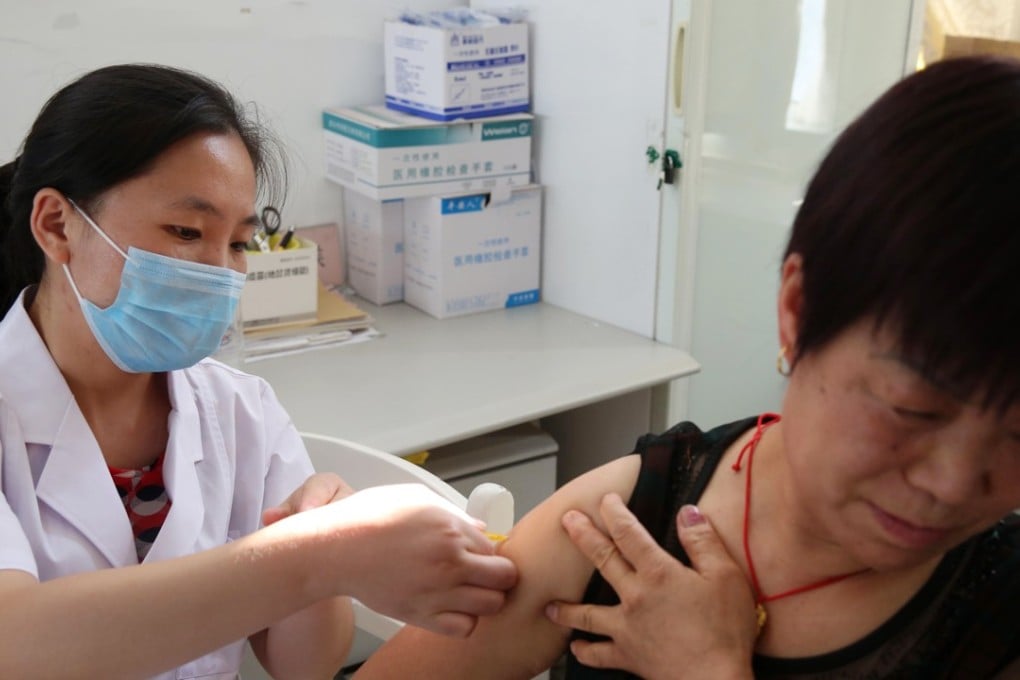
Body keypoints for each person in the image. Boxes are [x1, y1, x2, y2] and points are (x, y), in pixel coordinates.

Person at [353, 55, 1020, 679]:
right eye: (912, 408)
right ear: (799, 308)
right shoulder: (627, 520)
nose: (954, 482)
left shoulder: (999, 606)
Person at [0, 63, 517, 680]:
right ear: (57, 225)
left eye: (240, 243)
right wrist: (315, 557)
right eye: (186, 231)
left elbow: (308, 663)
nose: (219, 273)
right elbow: (18, 640)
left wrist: (319, 535)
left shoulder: (239, 410)